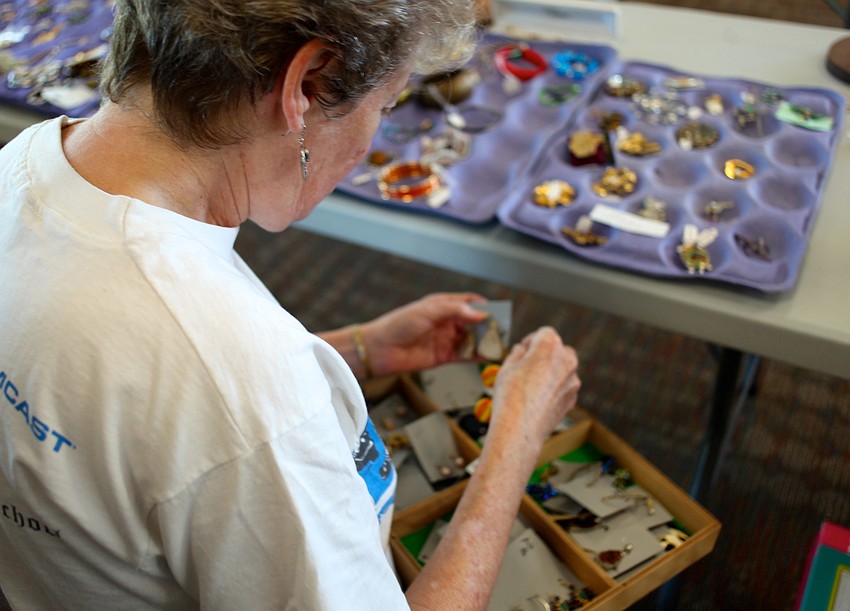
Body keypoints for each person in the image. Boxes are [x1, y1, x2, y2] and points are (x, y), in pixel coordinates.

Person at [0, 0, 581, 609]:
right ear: (305, 84)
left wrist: (354, 349)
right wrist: (516, 440)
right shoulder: (243, 383)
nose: (370, 137)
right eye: (383, 107)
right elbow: (215, 401)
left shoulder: (27, 163)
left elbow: (131, 408)